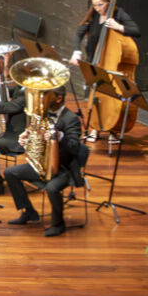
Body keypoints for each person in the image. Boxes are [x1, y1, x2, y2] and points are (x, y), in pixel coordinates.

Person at [5, 88, 87, 236]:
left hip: (65, 168)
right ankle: (28, 212)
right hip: (44, 163)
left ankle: (58, 223)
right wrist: (26, 137)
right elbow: (35, 133)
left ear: (59, 98)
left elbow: (75, 148)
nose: (41, 100)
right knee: (10, 173)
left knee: (52, 188)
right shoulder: (43, 113)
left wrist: (60, 136)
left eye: (45, 96)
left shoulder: (71, 119)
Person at [72, 0, 141, 143]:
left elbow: (136, 31)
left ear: (108, 2)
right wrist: (76, 51)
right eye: (95, 6)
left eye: (100, 5)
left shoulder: (118, 14)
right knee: (96, 96)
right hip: (96, 62)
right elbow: (78, 34)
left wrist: (118, 26)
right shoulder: (94, 16)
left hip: (112, 65)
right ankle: (95, 128)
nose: (98, 9)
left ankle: (113, 130)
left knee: (113, 96)